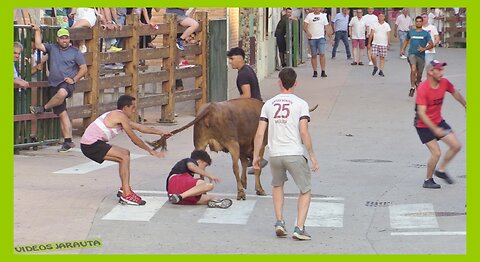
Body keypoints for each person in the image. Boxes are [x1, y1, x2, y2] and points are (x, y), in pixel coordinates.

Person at [253, 67, 319, 240]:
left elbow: (260, 133)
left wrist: (256, 157)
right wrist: (312, 156)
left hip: (274, 154)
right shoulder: (301, 104)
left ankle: (280, 222)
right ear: (295, 83)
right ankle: (299, 227)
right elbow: (304, 132)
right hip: (294, 153)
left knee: (277, 186)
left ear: (279, 82)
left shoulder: (268, 104)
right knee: (305, 190)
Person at [80, 95, 173, 205]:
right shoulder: (120, 116)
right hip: (91, 145)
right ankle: (127, 194)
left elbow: (140, 127)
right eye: (132, 108)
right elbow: (134, 138)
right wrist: (150, 150)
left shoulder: (119, 116)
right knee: (124, 157)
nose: (134, 111)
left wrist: (161, 132)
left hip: (92, 143)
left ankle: (124, 188)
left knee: (125, 153)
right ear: (125, 108)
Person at [29, 26, 88, 152]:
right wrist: (38, 30)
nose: (64, 40)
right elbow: (38, 45)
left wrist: (74, 79)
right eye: (62, 38)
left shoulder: (75, 52)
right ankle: (68, 141)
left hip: (66, 83)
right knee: (62, 113)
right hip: (54, 83)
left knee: (62, 93)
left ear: (69, 39)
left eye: (66, 38)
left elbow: (84, 68)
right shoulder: (52, 48)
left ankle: (43, 108)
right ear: (58, 39)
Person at [414, 60, 466, 189]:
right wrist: (435, 129)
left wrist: (466, 104)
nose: (442, 73)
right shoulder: (423, 88)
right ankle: (428, 180)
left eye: (443, 70)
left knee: (456, 145)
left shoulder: (444, 83)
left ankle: (441, 171)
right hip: (423, 124)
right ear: (431, 72)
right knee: (436, 153)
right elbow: (422, 113)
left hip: (438, 121)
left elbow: (455, 92)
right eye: (439, 70)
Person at [167, 150, 233, 208]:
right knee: (209, 185)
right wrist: (209, 175)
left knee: (213, 197)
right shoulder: (189, 161)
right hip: (176, 180)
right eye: (205, 165)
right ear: (199, 161)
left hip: (173, 193)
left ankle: (215, 202)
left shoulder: (189, 177)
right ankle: (180, 196)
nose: (204, 169)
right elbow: (191, 166)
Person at [401, 16, 433, 97]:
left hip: (421, 56)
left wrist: (424, 48)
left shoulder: (426, 33)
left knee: (419, 75)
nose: (418, 23)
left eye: (420, 21)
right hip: (412, 54)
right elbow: (406, 40)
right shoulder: (411, 32)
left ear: (422, 23)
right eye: (417, 21)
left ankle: (417, 82)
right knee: (413, 69)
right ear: (415, 23)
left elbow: (431, 44)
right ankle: (412, 87)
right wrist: (402, 49)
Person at [303, 8, 331, 78]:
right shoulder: (309, 16)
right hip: (312, 38)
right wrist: (308, 32)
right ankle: (315, 71)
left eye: (318, 7)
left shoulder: (323, 16)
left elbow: (327, 27)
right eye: (315, 7)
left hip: (321, 37)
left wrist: (331, 37)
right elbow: (304, 26)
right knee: (314, 55)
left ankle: (323, 71)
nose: (316, 9)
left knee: (322, 54)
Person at [369, 13, 391, 77]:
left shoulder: (387, 25)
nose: (381, 17)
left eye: (382, 16)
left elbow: (388, 34)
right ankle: (375, 66)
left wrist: (388, 43)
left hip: (383, 43)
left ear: (384, 17)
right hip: (375, 42)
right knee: (373, 56)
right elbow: (371, 33)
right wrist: (369, 43)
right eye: (380, 16)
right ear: (378, 17)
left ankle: (381, 70)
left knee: (382, 57)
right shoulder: (374, 24)